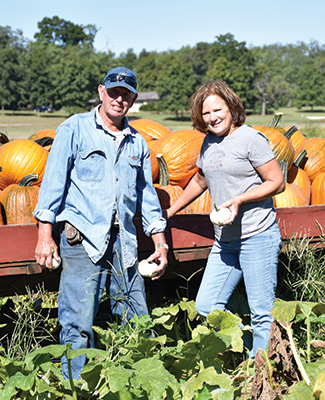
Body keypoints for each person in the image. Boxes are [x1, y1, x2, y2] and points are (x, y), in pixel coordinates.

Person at [33, 66, 169, 379]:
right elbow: (53, 184)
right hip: (82, 238)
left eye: (126, 94)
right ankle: (73, 387)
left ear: (133, 99)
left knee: (137, 319)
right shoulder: (75, 128)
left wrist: (160, 243)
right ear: (101, 91)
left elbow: (148, 199)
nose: (118, 99)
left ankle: (140, 383)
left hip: (125, 242)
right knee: (78, 322)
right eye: (113, 91)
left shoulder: (138, 142)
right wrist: (45, 235)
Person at [166, 80, 285, 357]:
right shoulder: (209, 141)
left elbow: (277, 182)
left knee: (261, 313)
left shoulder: (250, 139)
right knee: (207, 306)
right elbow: (200, 179)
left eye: (217, 110)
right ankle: (248, 352)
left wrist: (240, 199)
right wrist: (172, 210)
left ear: (231, 108)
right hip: (225, 241)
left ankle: (261, 376)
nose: (212, 118)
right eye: (206, 113)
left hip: (257, 235)